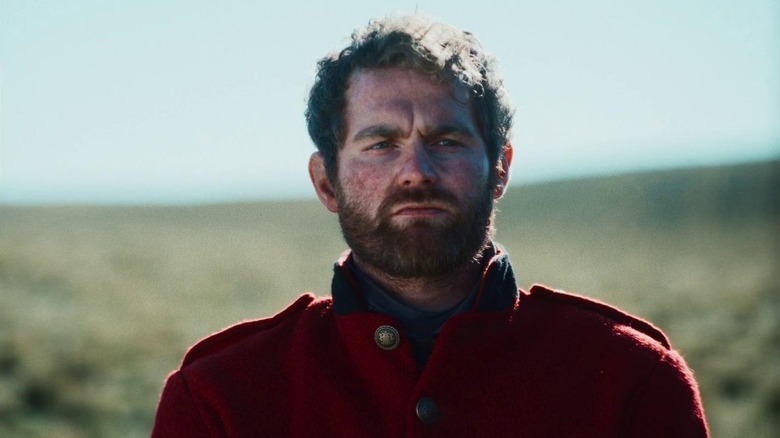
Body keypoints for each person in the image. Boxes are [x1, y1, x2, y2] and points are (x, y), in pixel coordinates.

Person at [152, 15, 709, 437]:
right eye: (380, 144)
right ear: (326, 182)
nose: (416, 172)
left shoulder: (630, 377)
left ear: (499, 169)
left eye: (447, 140)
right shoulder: (221, 398)